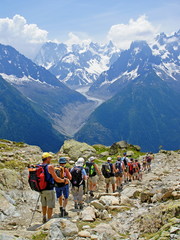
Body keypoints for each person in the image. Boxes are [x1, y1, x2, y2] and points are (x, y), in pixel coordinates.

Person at [40, 152, 67, 223]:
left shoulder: (40, 166)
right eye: (50, 157)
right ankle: (49, 221)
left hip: (41, 188)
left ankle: (44, 217)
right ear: (47, 158)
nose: (51, 159)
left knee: (44, 204)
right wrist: (64, 180)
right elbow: (56, 178)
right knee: (50, 205)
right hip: (49, 188)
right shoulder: (50, 167)